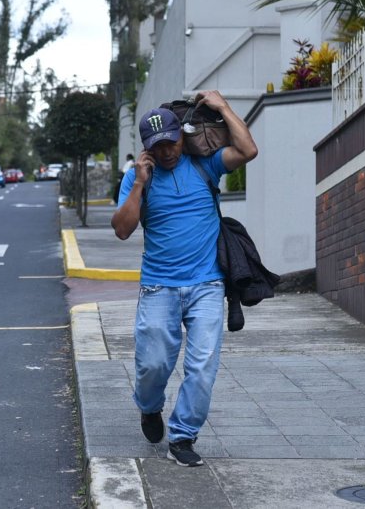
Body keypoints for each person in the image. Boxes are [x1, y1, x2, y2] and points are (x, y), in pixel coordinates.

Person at [112, 90, 258, 467]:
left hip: (207, 284)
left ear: (183, 135)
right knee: (153, 365)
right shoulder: (136, 178)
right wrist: (141, 184)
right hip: (159, 286)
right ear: (147, 148)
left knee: (202, 363)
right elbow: (123, 229)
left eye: (172, 142)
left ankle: (183, 435)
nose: (167, 152)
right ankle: (149, 407)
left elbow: (248, 151)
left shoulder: (205, 166)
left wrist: (222, 107)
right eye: (157, 146)